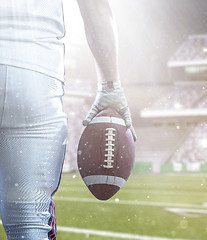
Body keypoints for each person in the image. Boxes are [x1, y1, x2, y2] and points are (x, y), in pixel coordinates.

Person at [0, 0, 136, 239]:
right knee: (29, 219)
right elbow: (94, 4)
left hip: (36, 71)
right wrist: (110, 86)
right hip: (34, 73)